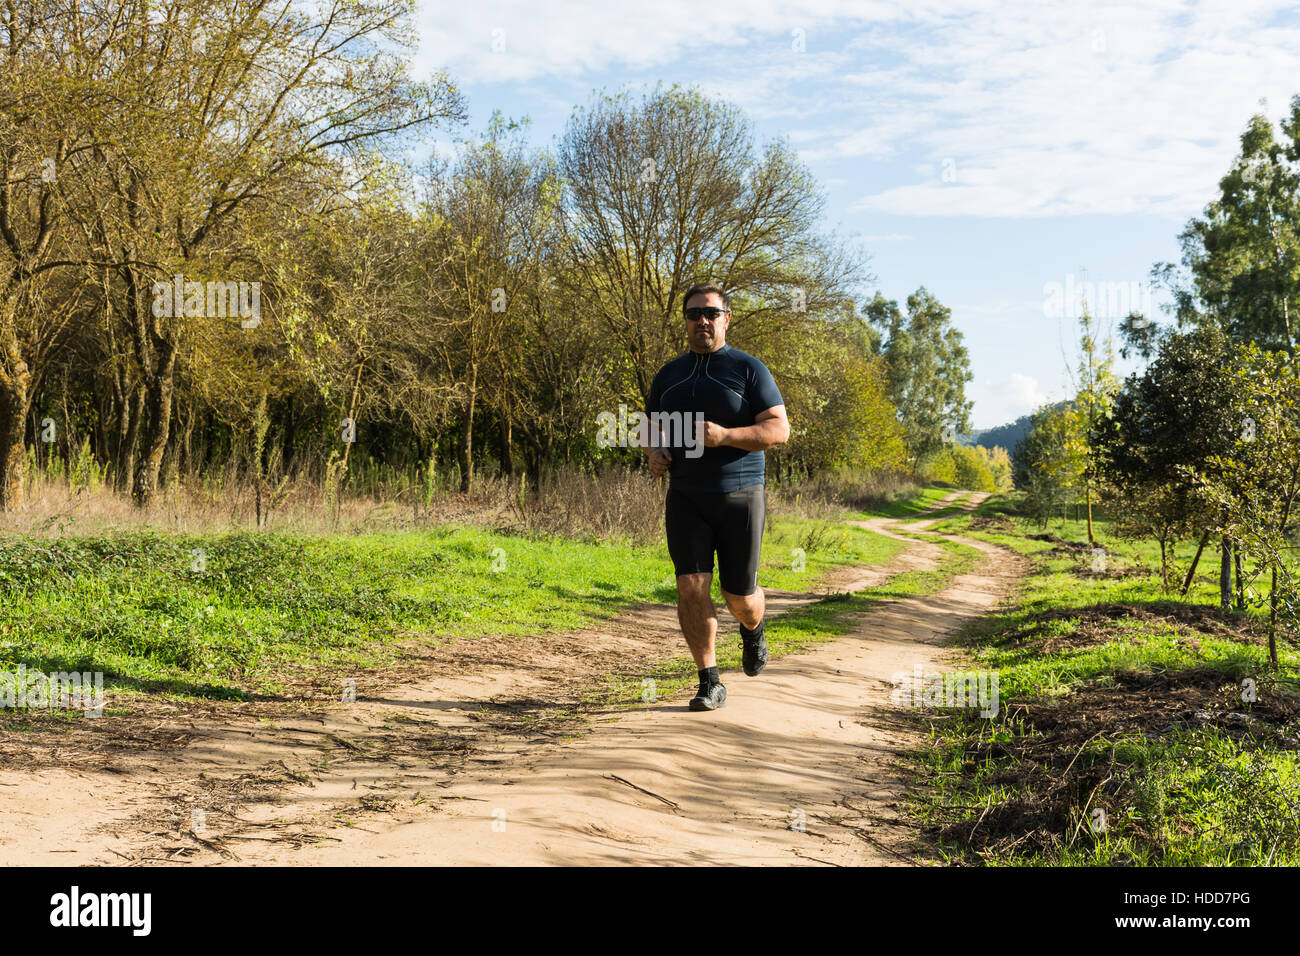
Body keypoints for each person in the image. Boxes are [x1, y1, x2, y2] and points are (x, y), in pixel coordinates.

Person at [644, 283, 790, 711]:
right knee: (690, 586)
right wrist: (653, 451)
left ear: (727, 318)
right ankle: (709, 680)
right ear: (686, 322)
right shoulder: (669, 374)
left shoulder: (748, 370)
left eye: (711, 313)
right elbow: (649, 424)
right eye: (693, 314)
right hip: (686, 496)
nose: (702, 321)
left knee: (738, 597)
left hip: (740, 495)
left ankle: (753, 627)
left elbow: (778, 430)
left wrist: (726, 435)